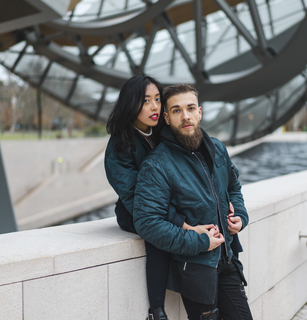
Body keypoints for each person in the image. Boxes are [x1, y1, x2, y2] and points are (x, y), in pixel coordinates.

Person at [104, 76, 221, 320]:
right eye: (146, 101)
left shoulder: (161, 132)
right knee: (157, 235)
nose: (155, 107)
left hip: (168, 206)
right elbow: (138, 199)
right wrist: (184, 224)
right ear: (130, 103)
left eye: (158, 99)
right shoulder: (119, 146)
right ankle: (156, 310)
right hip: (133, 210)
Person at [133, 84, 252, 320]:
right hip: (195, 269)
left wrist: (240, 215)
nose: (185, 116)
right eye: (176, 111)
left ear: (200, 112)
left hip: (228, 260)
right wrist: (198, 241)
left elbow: (233, 187)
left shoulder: (217, 148)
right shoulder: (157, 164)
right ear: (166, 118)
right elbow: (147, 222)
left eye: (190, 108)